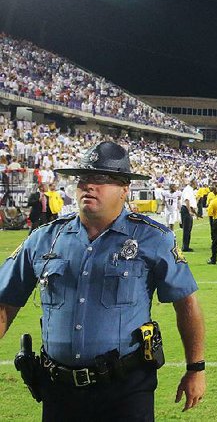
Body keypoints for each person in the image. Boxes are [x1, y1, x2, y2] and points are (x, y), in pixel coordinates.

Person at [0, 141, 206, 419]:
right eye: (84, 179)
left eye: (101, 179)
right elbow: (6, 302)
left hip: (126, 388)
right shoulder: (44, 239)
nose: (89, 186)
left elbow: (186, 303)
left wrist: (196, 368)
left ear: (124, 190)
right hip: (59, 390)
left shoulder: (153, 238)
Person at [180, 179, 198, 253]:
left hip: (188, 209)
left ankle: (186, 246)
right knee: (187, 229)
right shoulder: (188, 190)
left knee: (188, 229)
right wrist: (189, 211)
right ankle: (185, 247)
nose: (197, 185)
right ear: (193, 183)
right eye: (196, 183)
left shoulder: (189, 190)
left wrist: (195, 213)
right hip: (186, 210)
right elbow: (187, 200)